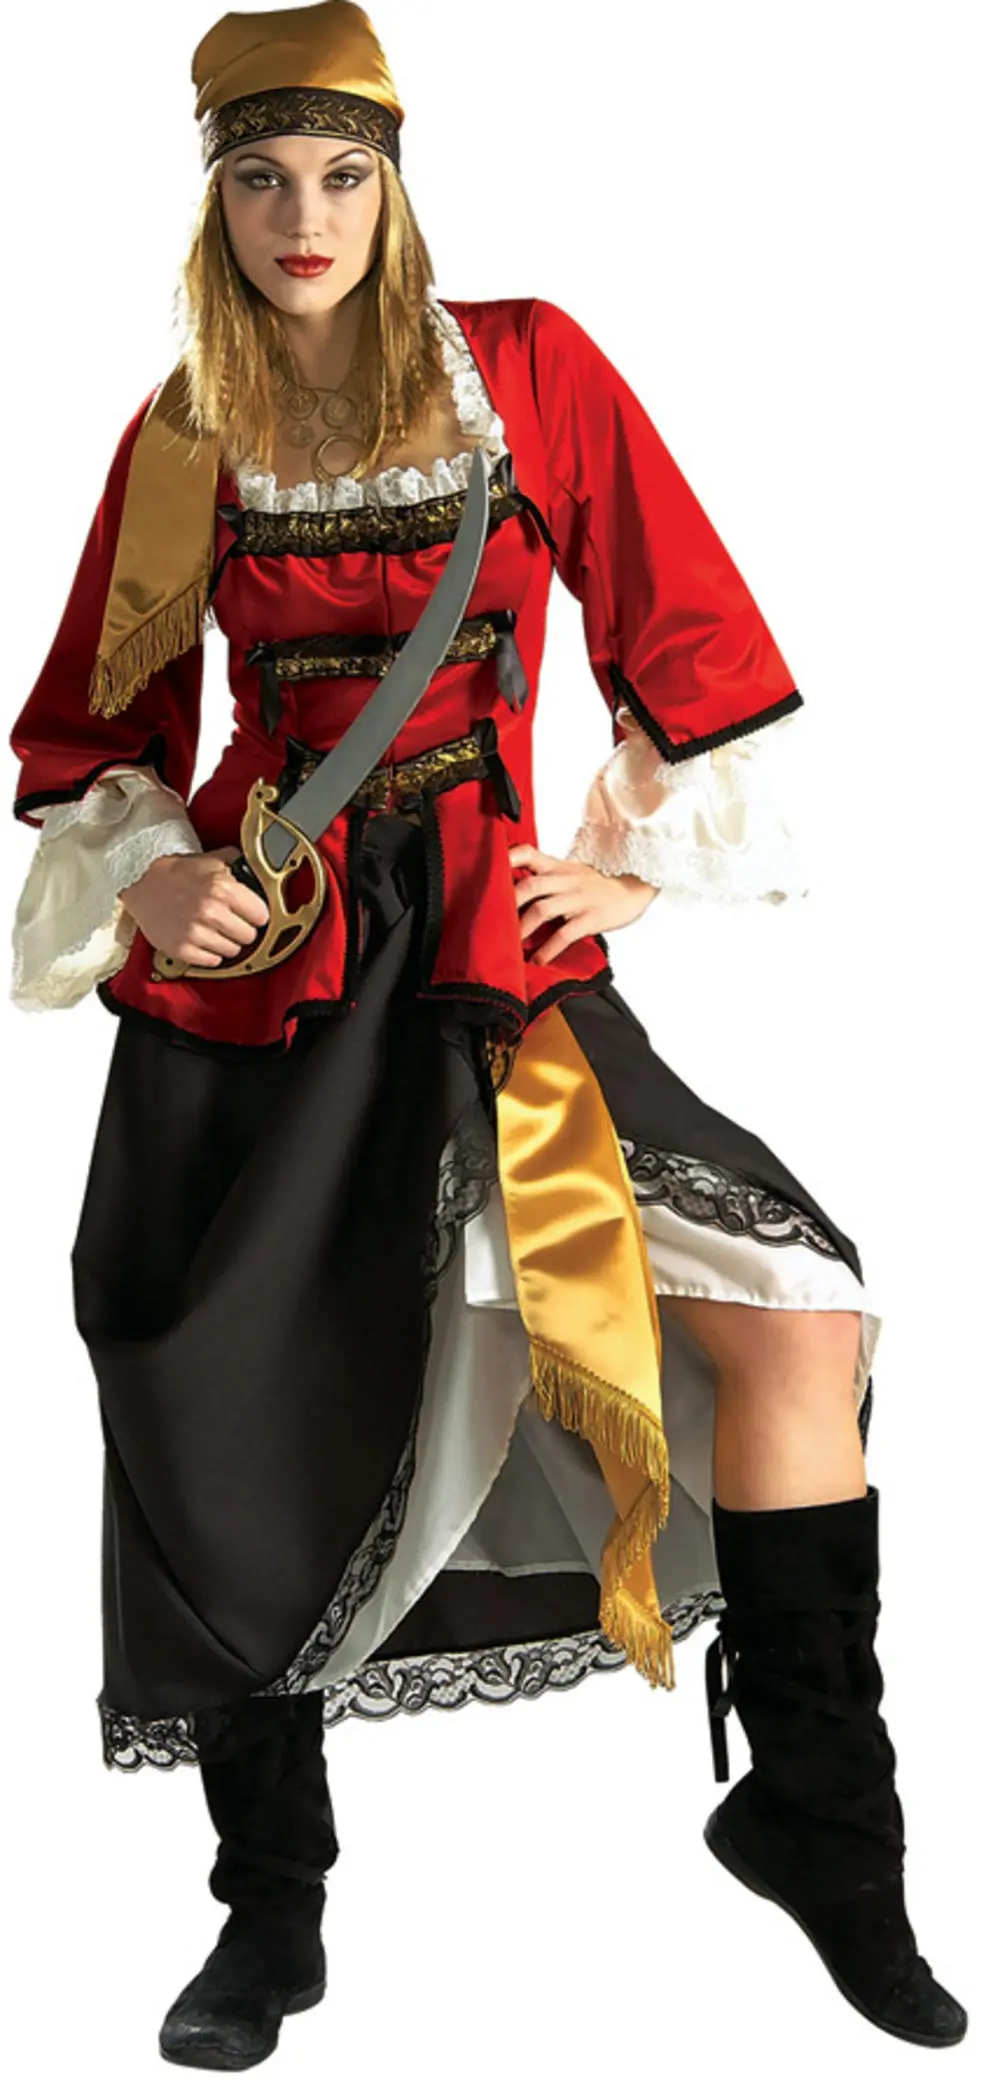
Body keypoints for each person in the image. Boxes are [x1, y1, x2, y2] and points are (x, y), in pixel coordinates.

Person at [7, 0, 967, 2068]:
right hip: (262, 983)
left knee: (795, 1312)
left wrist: (633, 868)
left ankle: (824, 1818)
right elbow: (94, 728)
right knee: (235, 1416)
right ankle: (269, 1912)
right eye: (260, 179)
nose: (304, 217)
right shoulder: (183, 436)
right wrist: (155, 874)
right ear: (211, 197)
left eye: (342, 175)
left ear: (396, 183)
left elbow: (688, 633)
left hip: (486, 963)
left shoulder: (525, 370)